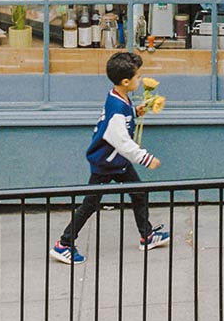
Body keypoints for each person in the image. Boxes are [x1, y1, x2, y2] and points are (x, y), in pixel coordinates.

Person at [51, 51, 169, 265]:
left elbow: (121, 121)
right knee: (90, 203)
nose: (140, 80)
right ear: (126, 81)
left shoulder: (118, 98)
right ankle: (64, 243)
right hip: (107, 163)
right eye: (138, 77)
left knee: (139, 194)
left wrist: (135, 112)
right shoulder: (117, 108)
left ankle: (147, 235)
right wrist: (145, 158)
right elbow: (121, 140)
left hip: (115, 162)